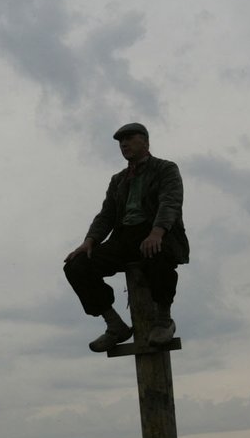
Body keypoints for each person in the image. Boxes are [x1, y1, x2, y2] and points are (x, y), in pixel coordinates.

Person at [64, 122, 189, 351]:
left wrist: (157, 232)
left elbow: (170, 202)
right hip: (124, 237)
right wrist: (89, 241)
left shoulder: (165, 169)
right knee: (76, 265)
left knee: (158, 255)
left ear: (146, 142)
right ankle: (114, 325)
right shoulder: (118, 179)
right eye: (121, 141)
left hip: (157, 232)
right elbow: (106, 214)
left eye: (130, 138)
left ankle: (163, 320)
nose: (124, 144)